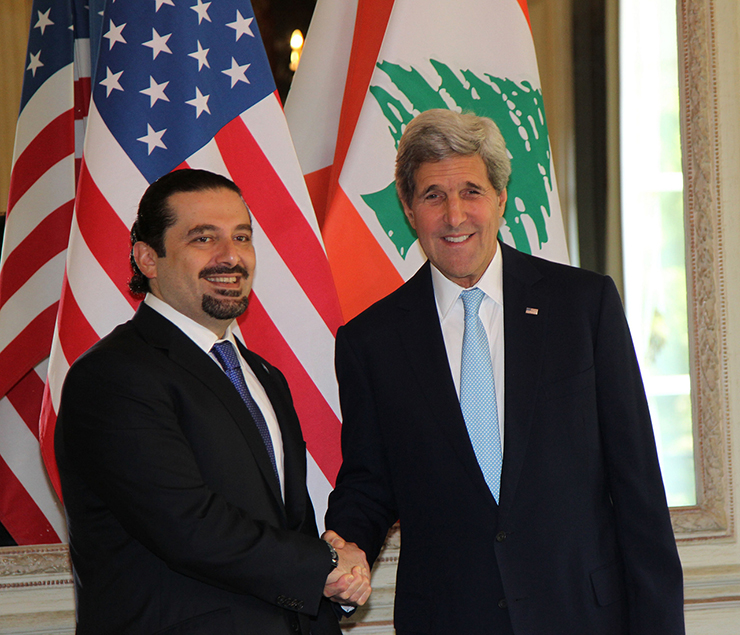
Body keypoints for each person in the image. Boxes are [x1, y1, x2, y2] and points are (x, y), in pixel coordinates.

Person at [325, 109, 685, 634]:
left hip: (583, 616)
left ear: (500, 198)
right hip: (448, 618)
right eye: (432, 196)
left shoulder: (583, 307)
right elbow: (369, 482)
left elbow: (638, 489)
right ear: (408, 208)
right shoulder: (370, 341)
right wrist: (346, 543)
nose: (454, 216)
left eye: (471, 191)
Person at [55, 169, 370, 635]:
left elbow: (288, 524)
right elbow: (187, 527)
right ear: (147, 258)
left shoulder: (263, 375)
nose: (231, 257)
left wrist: (335, 582)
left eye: (241, 237)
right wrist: (323, 564)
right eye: (203, 238)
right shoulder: (112, 376)